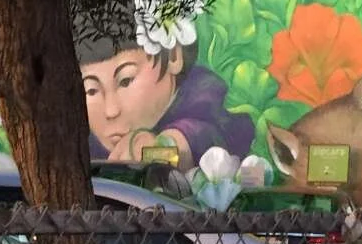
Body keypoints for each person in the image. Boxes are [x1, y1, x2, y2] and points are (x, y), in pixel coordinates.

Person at [76, 10, 256, 171]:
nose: (111, 111)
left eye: (125, 81)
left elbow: (210, 135)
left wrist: (164, 147)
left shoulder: (204, 93)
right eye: (91, 91)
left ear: (172, 56)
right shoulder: (81, 133)